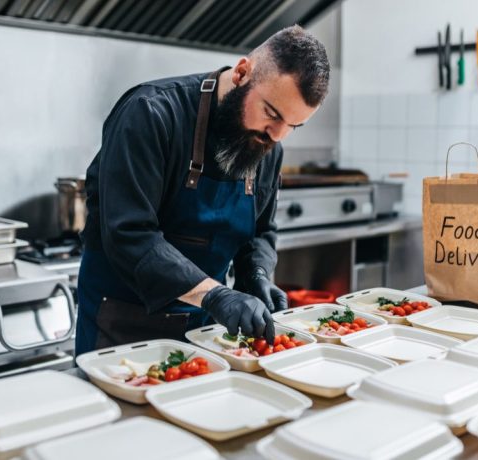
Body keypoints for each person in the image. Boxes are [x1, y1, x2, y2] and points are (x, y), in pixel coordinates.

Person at [75, 25, 331, 356]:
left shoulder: (269, 144)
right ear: (242, 73)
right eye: (272, 113)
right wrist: (216, 295)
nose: (278, 135)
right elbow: (130, 234)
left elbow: (261, 230)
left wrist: (256, 275)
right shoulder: (151, 113)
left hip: (207, 332)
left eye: (293, 126)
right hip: (123, 326)